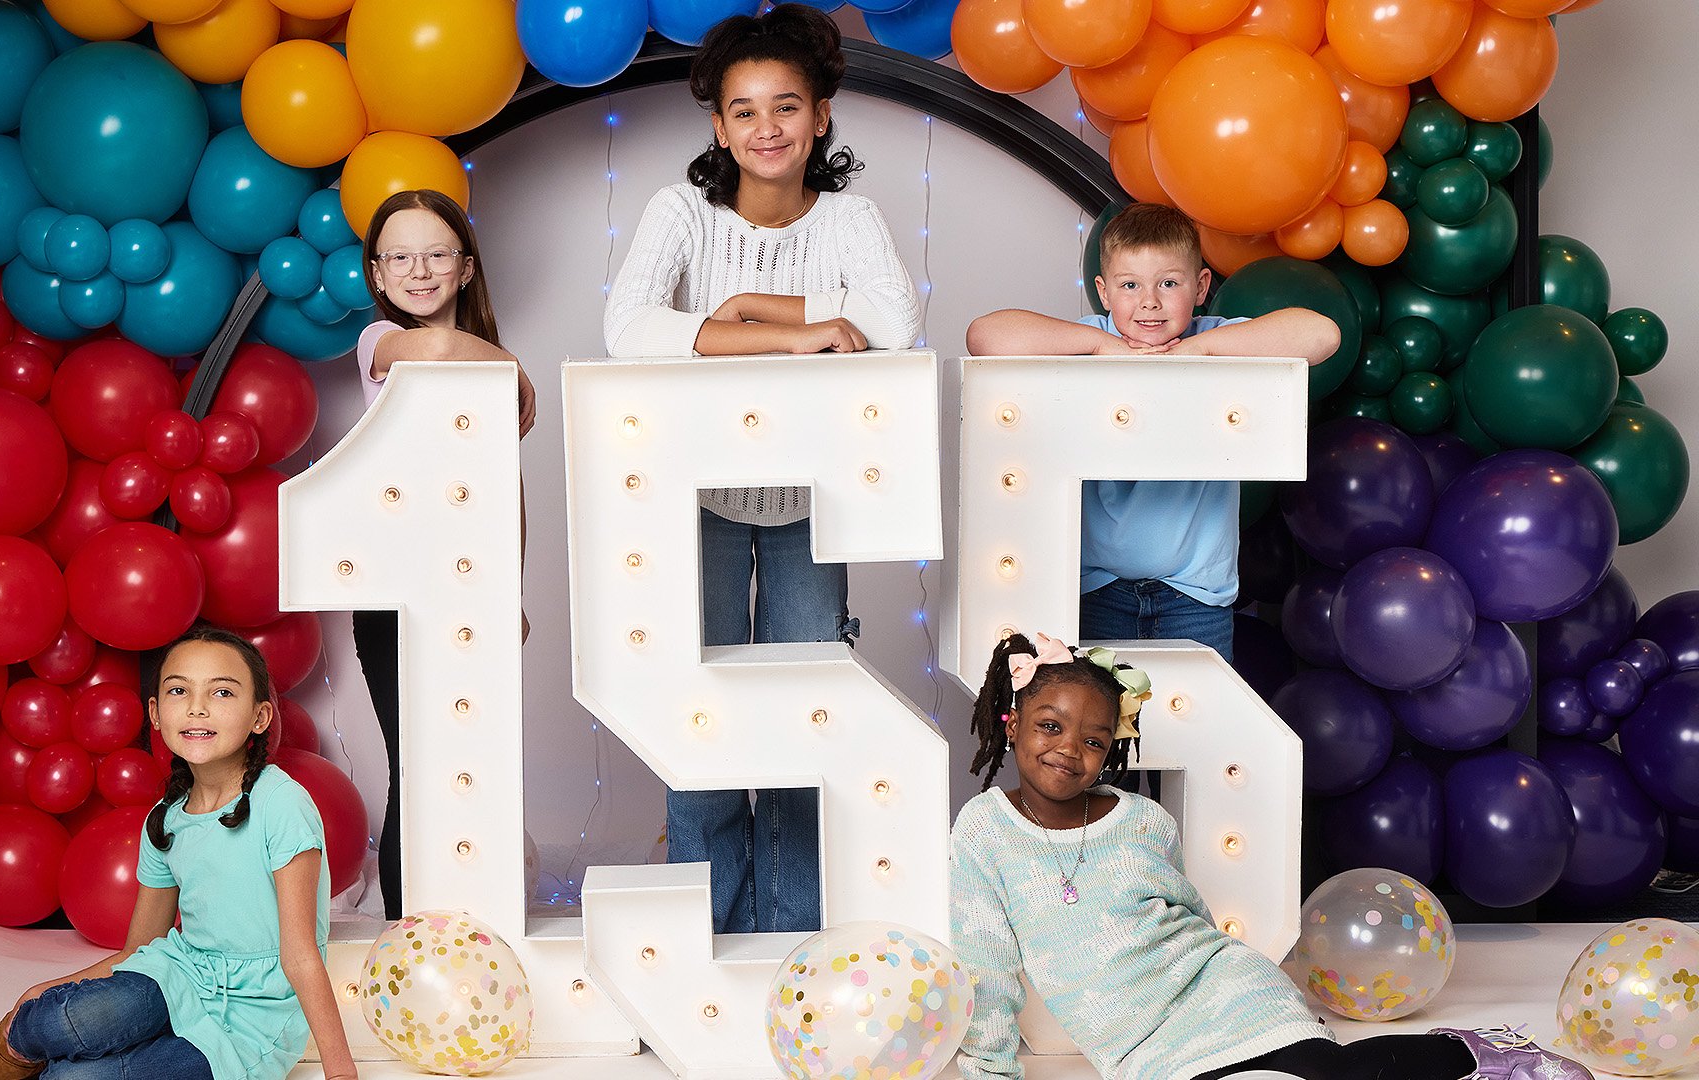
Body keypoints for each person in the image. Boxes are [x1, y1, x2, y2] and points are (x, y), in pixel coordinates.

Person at [601, 2, 921, 937]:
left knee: (802, 713)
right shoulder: (680, 212)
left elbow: (893, 325)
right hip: (686, 501)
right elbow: (627, 332)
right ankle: (710, 927)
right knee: (693, 706)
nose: (767, 128)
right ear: (718, 125)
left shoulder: (853, 217)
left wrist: (753, 310)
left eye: (787, 106)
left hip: (810, 504)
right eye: (744, 111)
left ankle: (791, 929)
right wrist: (794, 328)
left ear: (821, 115)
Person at [952, 630, 1594, 1080]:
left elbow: (1188, 921)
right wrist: (988, 1074)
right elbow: (987, 968)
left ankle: (1471, 1055)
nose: (1070, 749)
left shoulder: (1142, 820)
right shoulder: (985, 829)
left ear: (1110, 749)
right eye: (1050, 726)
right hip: (1139, 1042)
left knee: (1322, 1073)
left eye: (1094, 739)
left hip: (1224, 987)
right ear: (1013, 724)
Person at [0, 625, 357, 1080]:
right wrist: (59, 987)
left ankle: (51, 1062)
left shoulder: (281, 803)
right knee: (65, 1016)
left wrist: (341, 1073)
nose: (197, 706)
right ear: (157, 714)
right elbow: (141, 948)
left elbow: (300, 955)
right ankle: (11, 1048)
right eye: (180, 690)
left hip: (254, 1018)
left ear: (259, 718)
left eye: (222, 692)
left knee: (72, 1078)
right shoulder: (166, 818)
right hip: (181, 975)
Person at [964, 204, 1340, 664]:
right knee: (1102, 731)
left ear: (1201, 287)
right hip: (1095, 590)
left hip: (1196, 595)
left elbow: (1321, 334)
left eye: (1168, 283)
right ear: (1103, 293)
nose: (1149, 301)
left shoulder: (1218, 339)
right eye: (1129, 285)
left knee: (1196, 732)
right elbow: (985, 334)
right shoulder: (1091, 340)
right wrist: (1101, 344)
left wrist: (1202, 348)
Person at [354, 188, 535, 919]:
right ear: (377, 275)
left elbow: (504, 488)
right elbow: (431, 344)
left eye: (437, 253)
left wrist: (510, 594)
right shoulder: (381, 345)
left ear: (465, 269)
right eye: (400, 256)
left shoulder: (481, 369)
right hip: (396, 591)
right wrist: (511, 364)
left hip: (471, 591)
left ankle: (474, 928)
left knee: (471, 766)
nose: (418, 270)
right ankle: (408, 936)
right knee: (419, 767)